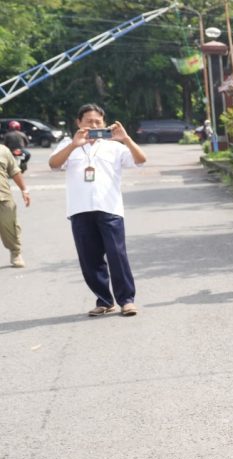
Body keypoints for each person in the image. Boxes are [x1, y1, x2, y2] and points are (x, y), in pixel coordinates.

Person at [47, 103, 147, 316]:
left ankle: (126, 300)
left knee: (117, 256)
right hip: (80, 209)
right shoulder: (68, 144)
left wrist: (126, 139)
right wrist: (74, 145)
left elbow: (141, 160)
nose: (93, 125)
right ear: (78, 123)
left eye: (98, 122)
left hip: (109, 208)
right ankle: (104, 300)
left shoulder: (114, 145)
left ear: (104, 123)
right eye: (89, 121)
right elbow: (54, 164)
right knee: (89, 259)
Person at [0, 144, 30, 268]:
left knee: (9, 227)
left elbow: (14, 171)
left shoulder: (3, 150)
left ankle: (15, 252)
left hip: (3, 196)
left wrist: (24, 189)